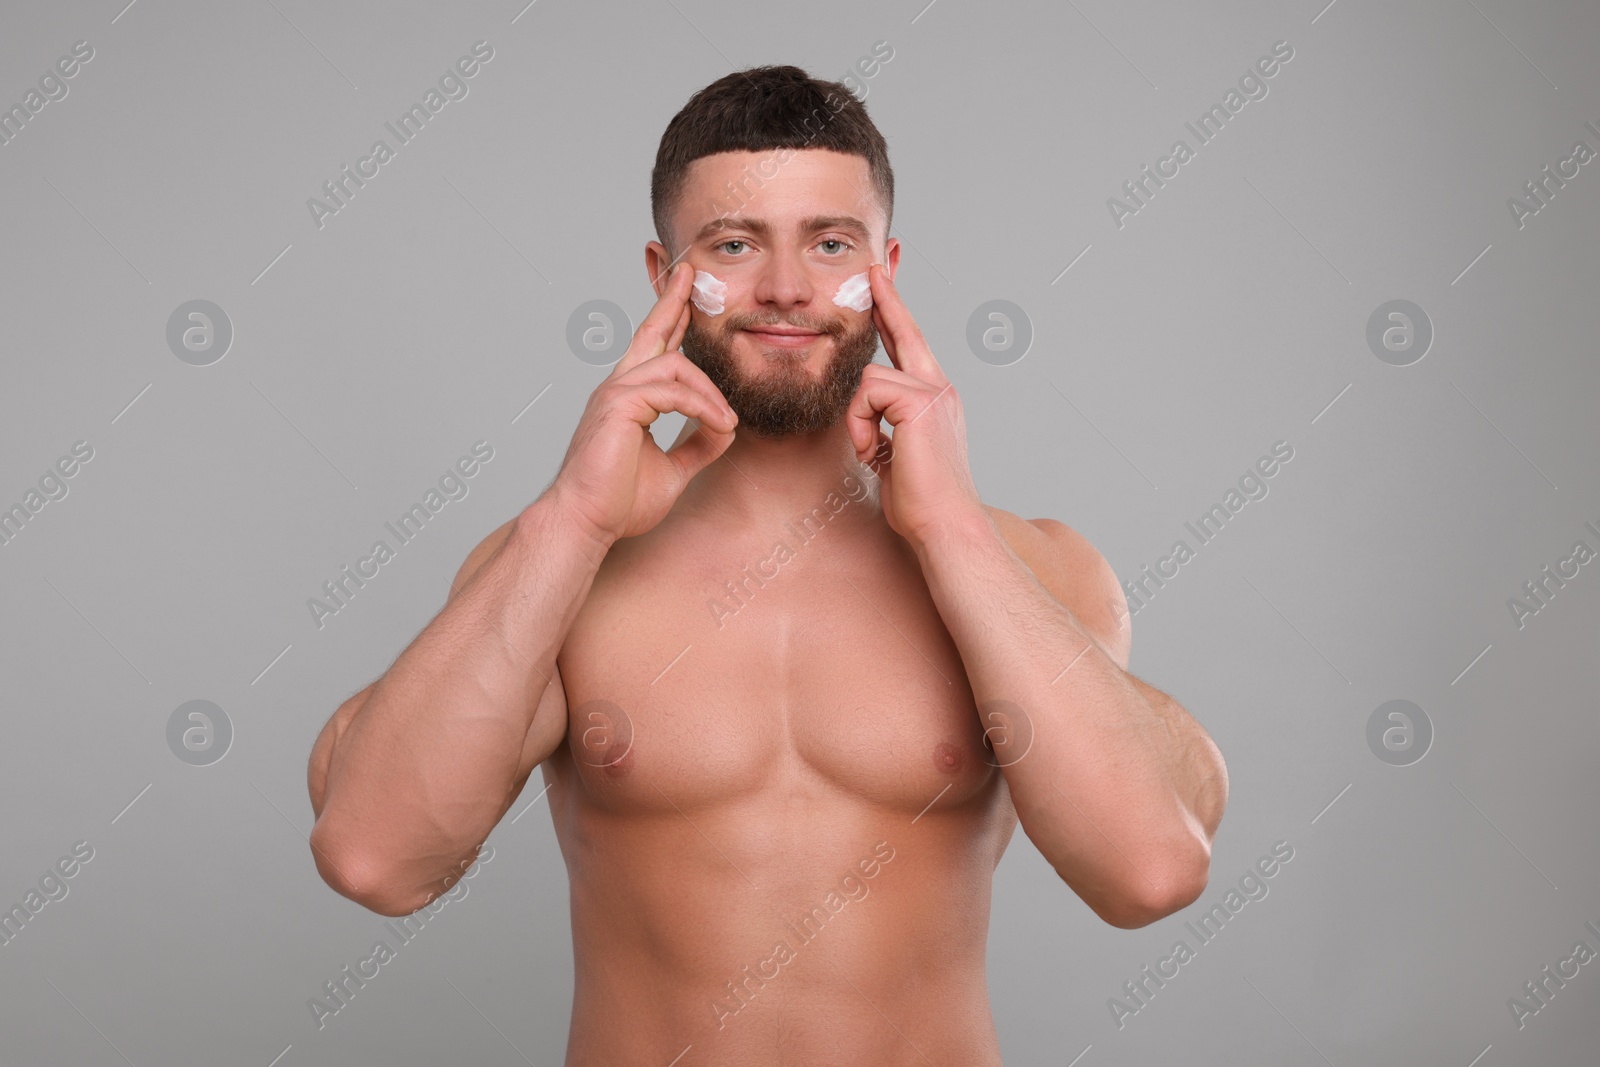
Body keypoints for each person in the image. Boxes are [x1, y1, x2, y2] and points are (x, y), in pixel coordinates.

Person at [306, 64, 1228, 1065]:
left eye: (830, 243)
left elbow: (1150, 869)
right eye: (734, 244)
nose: (785, 285)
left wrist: (952, 529)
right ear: (665, 272)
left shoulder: (1030, 565)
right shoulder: (557, 567)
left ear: (888, 267)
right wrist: (573, 516)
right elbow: (374, 856)